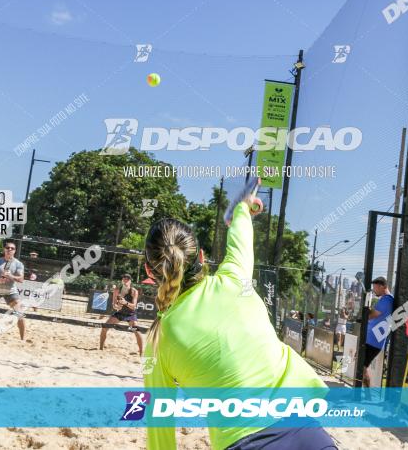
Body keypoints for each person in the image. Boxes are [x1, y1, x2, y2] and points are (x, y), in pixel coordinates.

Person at [143, 182, 337, 450]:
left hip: (242, 442)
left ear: (149, 272)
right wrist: (245, 208)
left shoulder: (157, 340)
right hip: (304, 430)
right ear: (200, 255)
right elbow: (239, 233)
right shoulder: (235, 278)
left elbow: (158, 423)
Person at [99, 273, 143, 356]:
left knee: (136, 331)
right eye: (124, 279)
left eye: (127, 279)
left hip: (130, 314)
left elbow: (133, 307)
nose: (125, 280)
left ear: (130, 281)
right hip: (120, 313)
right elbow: (114, 304)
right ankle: (101, 348)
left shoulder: (134, 291)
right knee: (104, 327)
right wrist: (116, 306)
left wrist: (125, 303)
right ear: (122, 280)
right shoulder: (117, 290)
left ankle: (141, 352)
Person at [363, 276, 393, 388]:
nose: (374, 290)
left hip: (373, 341)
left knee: (362, 367)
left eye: (375, 288)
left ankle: (366, 394)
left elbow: (373, 315)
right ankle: (365, 394)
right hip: (371, 339)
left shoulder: (387, 299)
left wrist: (365, 312)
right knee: (362, 366)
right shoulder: (386, 299)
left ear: (383, 286)